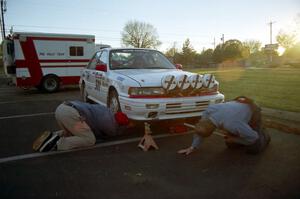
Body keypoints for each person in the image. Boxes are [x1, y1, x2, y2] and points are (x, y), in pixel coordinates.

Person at [178, 96, 271, 155]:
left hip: (253, 110)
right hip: (238, 108)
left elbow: (253, 137)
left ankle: (264, 135)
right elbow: (200, 131)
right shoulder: (207, 113)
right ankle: (243, 136)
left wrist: (234, 139)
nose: (199, 123)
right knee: (231, 145)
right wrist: (192, 147)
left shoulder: (232, 125)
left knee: (253, 148)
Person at [33, 100, 131, 152]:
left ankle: (53, 135)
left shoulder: (106, 110)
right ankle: (56, 144)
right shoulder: (110, 124)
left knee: (73, 133)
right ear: (119, 124)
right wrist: (126, 129)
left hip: (62, 108)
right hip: (72, 114)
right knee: (89, 139)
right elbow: (112, 134)